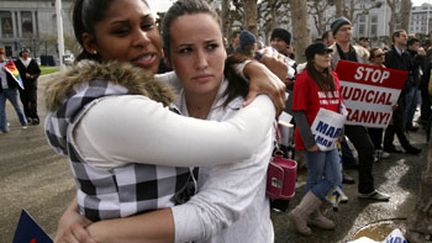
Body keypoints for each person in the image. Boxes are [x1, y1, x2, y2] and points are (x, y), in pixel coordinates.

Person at [50, 0, 285, 242]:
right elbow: (239, 141)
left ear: (225, 48)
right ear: (168, 56)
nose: (202, 62)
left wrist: (250, 67)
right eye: (185, 50)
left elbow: (216, 209)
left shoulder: (245, 109)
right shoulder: (130, 106)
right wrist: (270, 91)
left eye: (212, 46)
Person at [330, 16, 390, 201]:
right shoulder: (329, 54)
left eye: (349, 28)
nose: (347, 32)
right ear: (334, 34)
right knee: (329, 156)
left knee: (366, 148)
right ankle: (328, 196)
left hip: (354, 113)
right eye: (342, 29)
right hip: (332, 111)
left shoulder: (361, 53)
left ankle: (366, 189)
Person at [288, 42, 343, 236]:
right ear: (312, 58)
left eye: (329, 53)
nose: (327, 56)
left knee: (334, 177)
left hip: (330, 136)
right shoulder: (303, 79)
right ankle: (305, 213)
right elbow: (298, 112)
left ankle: (307, 212)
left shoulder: (333, 76)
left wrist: (343, 116)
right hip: (313, 138)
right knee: (316, 176)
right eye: (322, 53)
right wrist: (310, 142)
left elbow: (338, 104)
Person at [383, 30, 422, 155]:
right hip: (391, 92)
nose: (406, 38)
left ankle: (388, 144)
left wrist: (408, 85)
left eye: (406, 36)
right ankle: (407, 146)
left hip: (403, 92)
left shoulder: (406, 56)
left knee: (395, 120)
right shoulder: (388, 55)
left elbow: (411, 71)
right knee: (398, 120)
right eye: (403, 36)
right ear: (395, 38)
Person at [367, 47, 390, 162]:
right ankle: (371, 152)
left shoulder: (384, 68)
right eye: (379, 56)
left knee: (380, 128)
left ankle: (378, 150)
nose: (382, 57)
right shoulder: (368, 70)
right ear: (372, 59)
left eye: (383, 54)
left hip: (381, 104)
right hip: (370, 105)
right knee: (371, 130)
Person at [0, 47, 28, 133]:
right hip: (1, 91)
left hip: (10, 89)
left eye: (1, 56)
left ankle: (23, 122)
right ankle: (4, 128)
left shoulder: (9, 64)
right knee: (1, 110)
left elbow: (17, 76)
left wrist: (8, 71)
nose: (0, 57)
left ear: (4, 55)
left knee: (17, 107)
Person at [15, 48, 41, 125]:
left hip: (32, 85)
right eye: (24, 52)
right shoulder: (18, 63)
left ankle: (35, 117)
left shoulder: (32, 62)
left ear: (29, 53)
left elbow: (38, 72)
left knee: (33, 101)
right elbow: (15, 73)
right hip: (22, 85)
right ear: (21, 54)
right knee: (25, 101)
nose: (25, 54)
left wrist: (32, 76)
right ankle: (27, 116)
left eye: (27, 52)